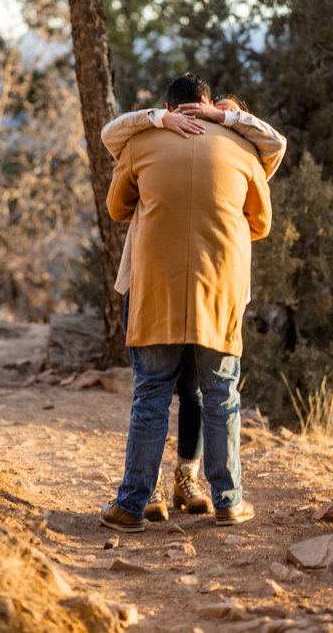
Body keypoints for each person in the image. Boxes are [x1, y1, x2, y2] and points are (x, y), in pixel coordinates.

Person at [101, 87, 286, 521]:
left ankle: (132, 504)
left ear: (168, 106)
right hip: (218, 291)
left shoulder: (140, 142)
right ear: (205, 104)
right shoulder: (243, 149)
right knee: (220, 396)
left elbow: (116, 207)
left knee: (150, 397)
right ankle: (228, 501)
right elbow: (261, 223)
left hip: (153, 290)